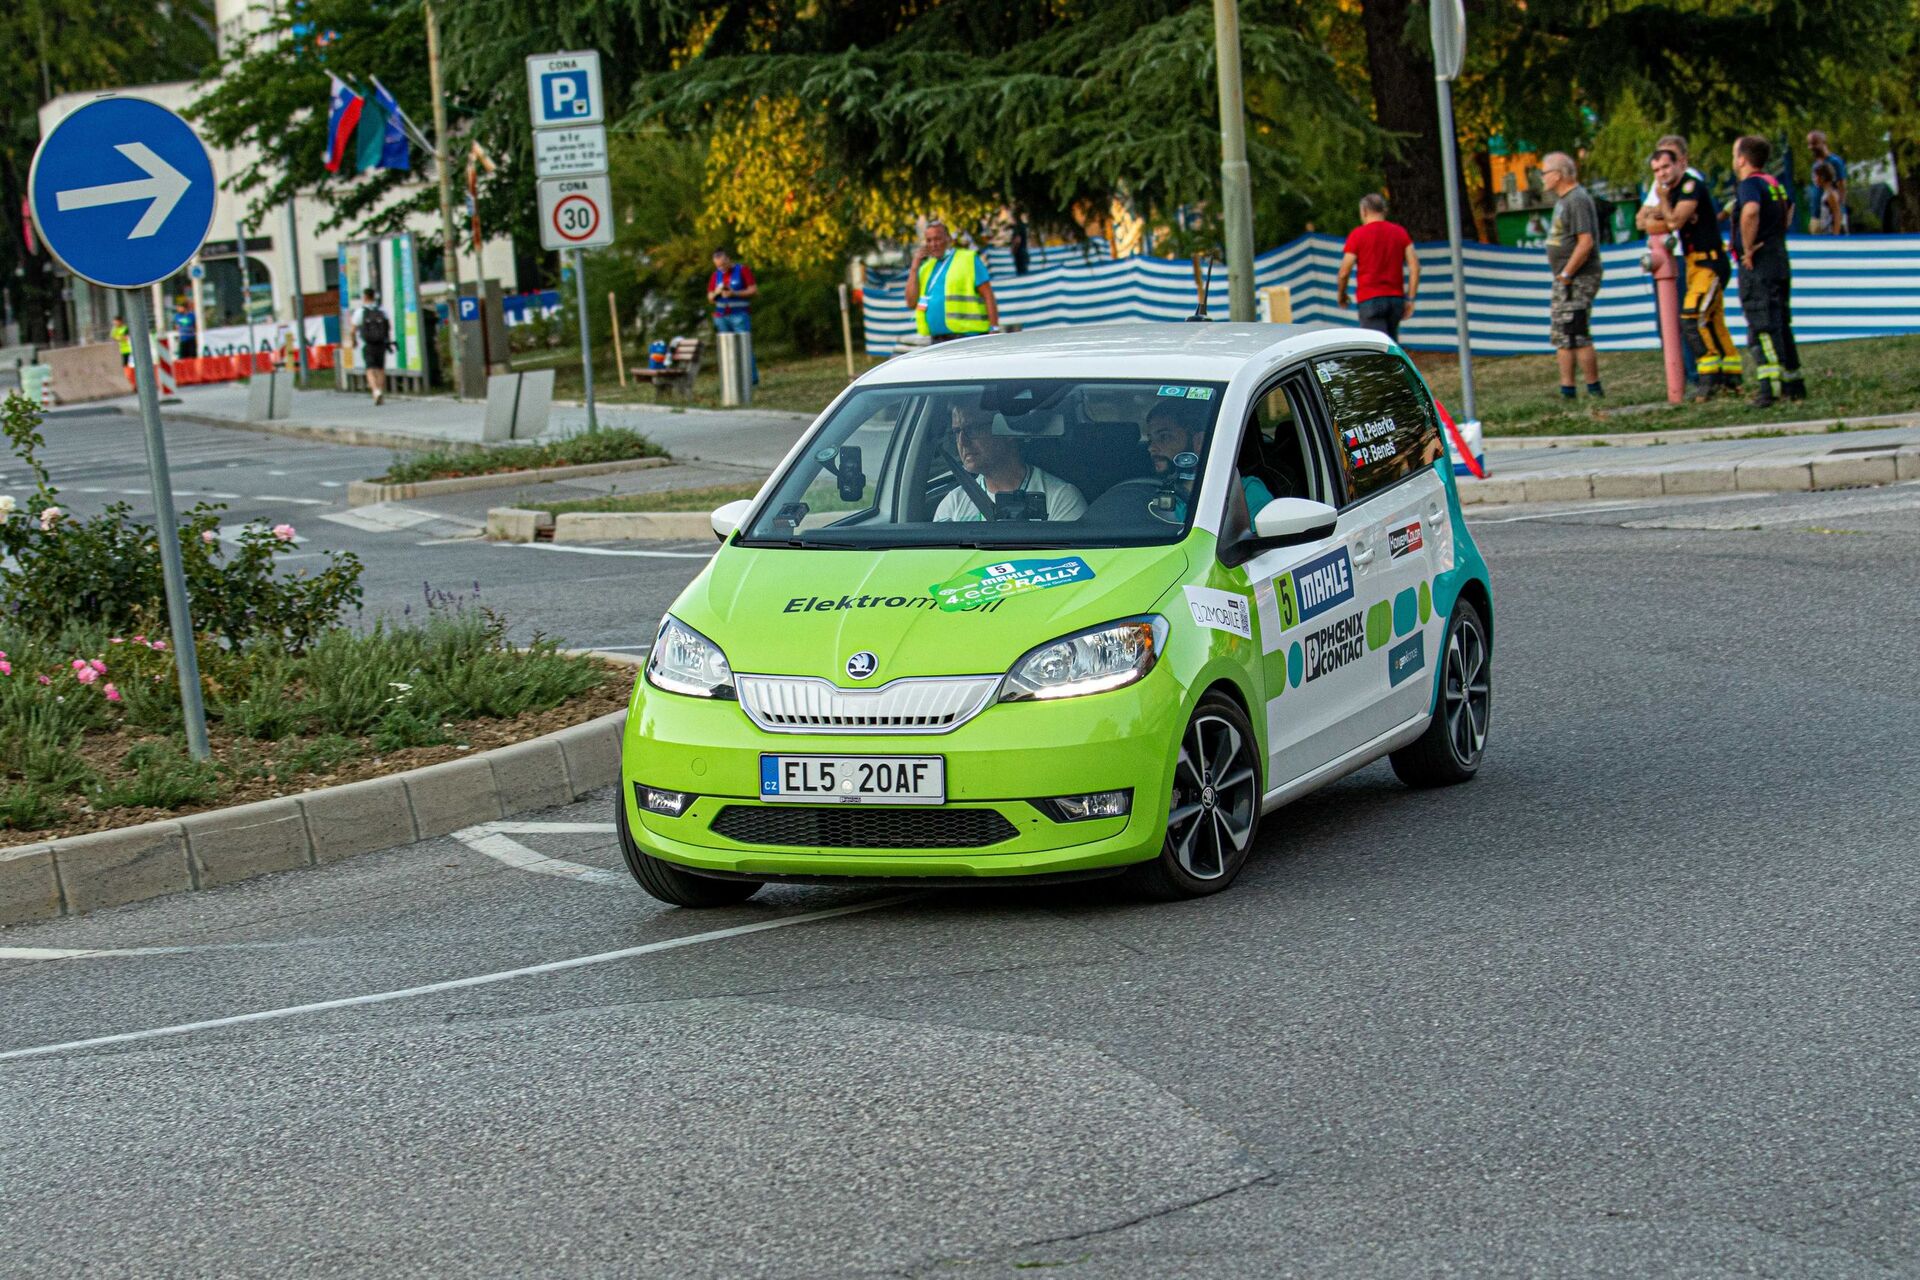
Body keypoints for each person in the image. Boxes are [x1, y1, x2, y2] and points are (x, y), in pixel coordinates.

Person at [1638, 137, 1740, 400]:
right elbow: (1642, 221)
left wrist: (1662, 204)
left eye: (1665, 167)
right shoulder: (1673, 191)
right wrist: (1662, 212)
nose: (1661, 174)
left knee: (1692, 318)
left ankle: (1707, 378)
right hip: (1695, 262)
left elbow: (1673, 223)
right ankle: (1730, 376)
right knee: (1713, 321)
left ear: (1679, 163)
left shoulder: (1689, 185)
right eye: (1656, 170)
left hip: (1709, 262)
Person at [1731, 135, 1805, 405]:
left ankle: (1770, 389)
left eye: (1735, 155)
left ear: (1742, 159)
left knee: (1762, 325)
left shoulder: (1750, 185)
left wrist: (1747, 248)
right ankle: (1793, 383)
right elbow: (1789, 209)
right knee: (1781, 323)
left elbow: (1750, 211)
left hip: (1759, 264)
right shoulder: (1773, 183)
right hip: (1778, 257)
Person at [932, 403, 1085, 522]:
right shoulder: (952, 505)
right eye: (957, 432)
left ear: (1008, 431)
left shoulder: (1061, 498)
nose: (962, 442)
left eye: (973, 429)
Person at [1144, 401, 1272, 526]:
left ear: (1199, 442)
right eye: (1150, 439)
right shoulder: (1147, 494)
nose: (1151, 448)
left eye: (1164, 437)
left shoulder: (1244, 493)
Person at [1540, 152, 1604, 398]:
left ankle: (1593, 388)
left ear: (1558, 175)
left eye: (1545, 173)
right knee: (1563, 334)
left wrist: (1567, 274)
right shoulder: (1564, 201)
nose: (1543, 178)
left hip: (1577, 277)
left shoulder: (1576, 199)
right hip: (1565, 278)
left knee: (1577, 331)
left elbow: (1585, 242)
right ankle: (1567, 389)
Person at [1336, 193, 1420, 341]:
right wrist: (1411, 298)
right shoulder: (1400, 232)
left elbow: (1344, 272)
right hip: (1395, 300)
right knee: (1391, 345)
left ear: (1364, 211)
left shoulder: (1357, 235)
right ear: (1384, 210)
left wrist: (1341, 295)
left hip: (1370, 300)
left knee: (1376, 347)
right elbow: (1415, 267)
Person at [907, 219, 998, 343]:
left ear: (948, 239)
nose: (933, 244)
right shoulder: (925, 268)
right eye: (929, 240)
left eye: (937, 239)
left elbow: (988, 295)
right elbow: (911, 303)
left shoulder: (968, 259)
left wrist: (994, 328)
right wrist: (914, 267)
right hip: (937, 340)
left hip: (968, 336)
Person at [707, 248, 759, 386]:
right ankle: (732, 380)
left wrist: (734, 293)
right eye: (718, 266)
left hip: (739, 315)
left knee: (744, 347)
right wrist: (717, 292)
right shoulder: (716, 276)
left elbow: (753, 290)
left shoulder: (742, 270)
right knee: (727, 350)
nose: (721, 268)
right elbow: (710, 297)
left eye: (723, 264)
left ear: (728, 259)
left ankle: (750, 379)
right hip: (721, 317)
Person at [350, 287, 392, 406]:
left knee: (370, 369)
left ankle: (375, 391)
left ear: (364, 297)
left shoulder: (360, 312)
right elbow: (388, 327)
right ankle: (380, 391)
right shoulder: (382, 310)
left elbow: (352, 330)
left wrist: (354, 341)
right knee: (380, 369)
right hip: (381, 343)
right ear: (374, 296)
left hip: (368, 344)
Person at [1805, 131, 1848, 224]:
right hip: (1817, 214)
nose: (1811, 147)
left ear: (1823, 142)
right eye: (1809, 144)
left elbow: (1842, 186)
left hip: (1831, 215)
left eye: (1814, 143)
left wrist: (1839, 212)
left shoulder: (1835, 161)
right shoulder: (1816, 164)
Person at [1811, 161, 1848, 235]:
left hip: (1831, 233)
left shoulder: (1830, 194)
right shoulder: (1826, 193)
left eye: (1815, 176)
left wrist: (1835, 236)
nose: (1814, 179)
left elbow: (1837, 215)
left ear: (1823, 178)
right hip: (1827, 232)